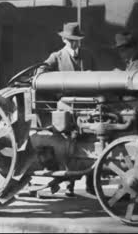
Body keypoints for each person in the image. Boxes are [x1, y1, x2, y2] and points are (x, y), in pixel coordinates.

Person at [36, 22, 96, 197]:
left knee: (93, 144)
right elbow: (40, 73)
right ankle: (70, 185)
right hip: (66, 108)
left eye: (77, 41)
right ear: (64, 39)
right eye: (71, 41)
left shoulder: (89, 56)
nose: (75, 44)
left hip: (89, 106)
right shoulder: (56, 57)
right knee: (70, 146)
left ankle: (92, 186)